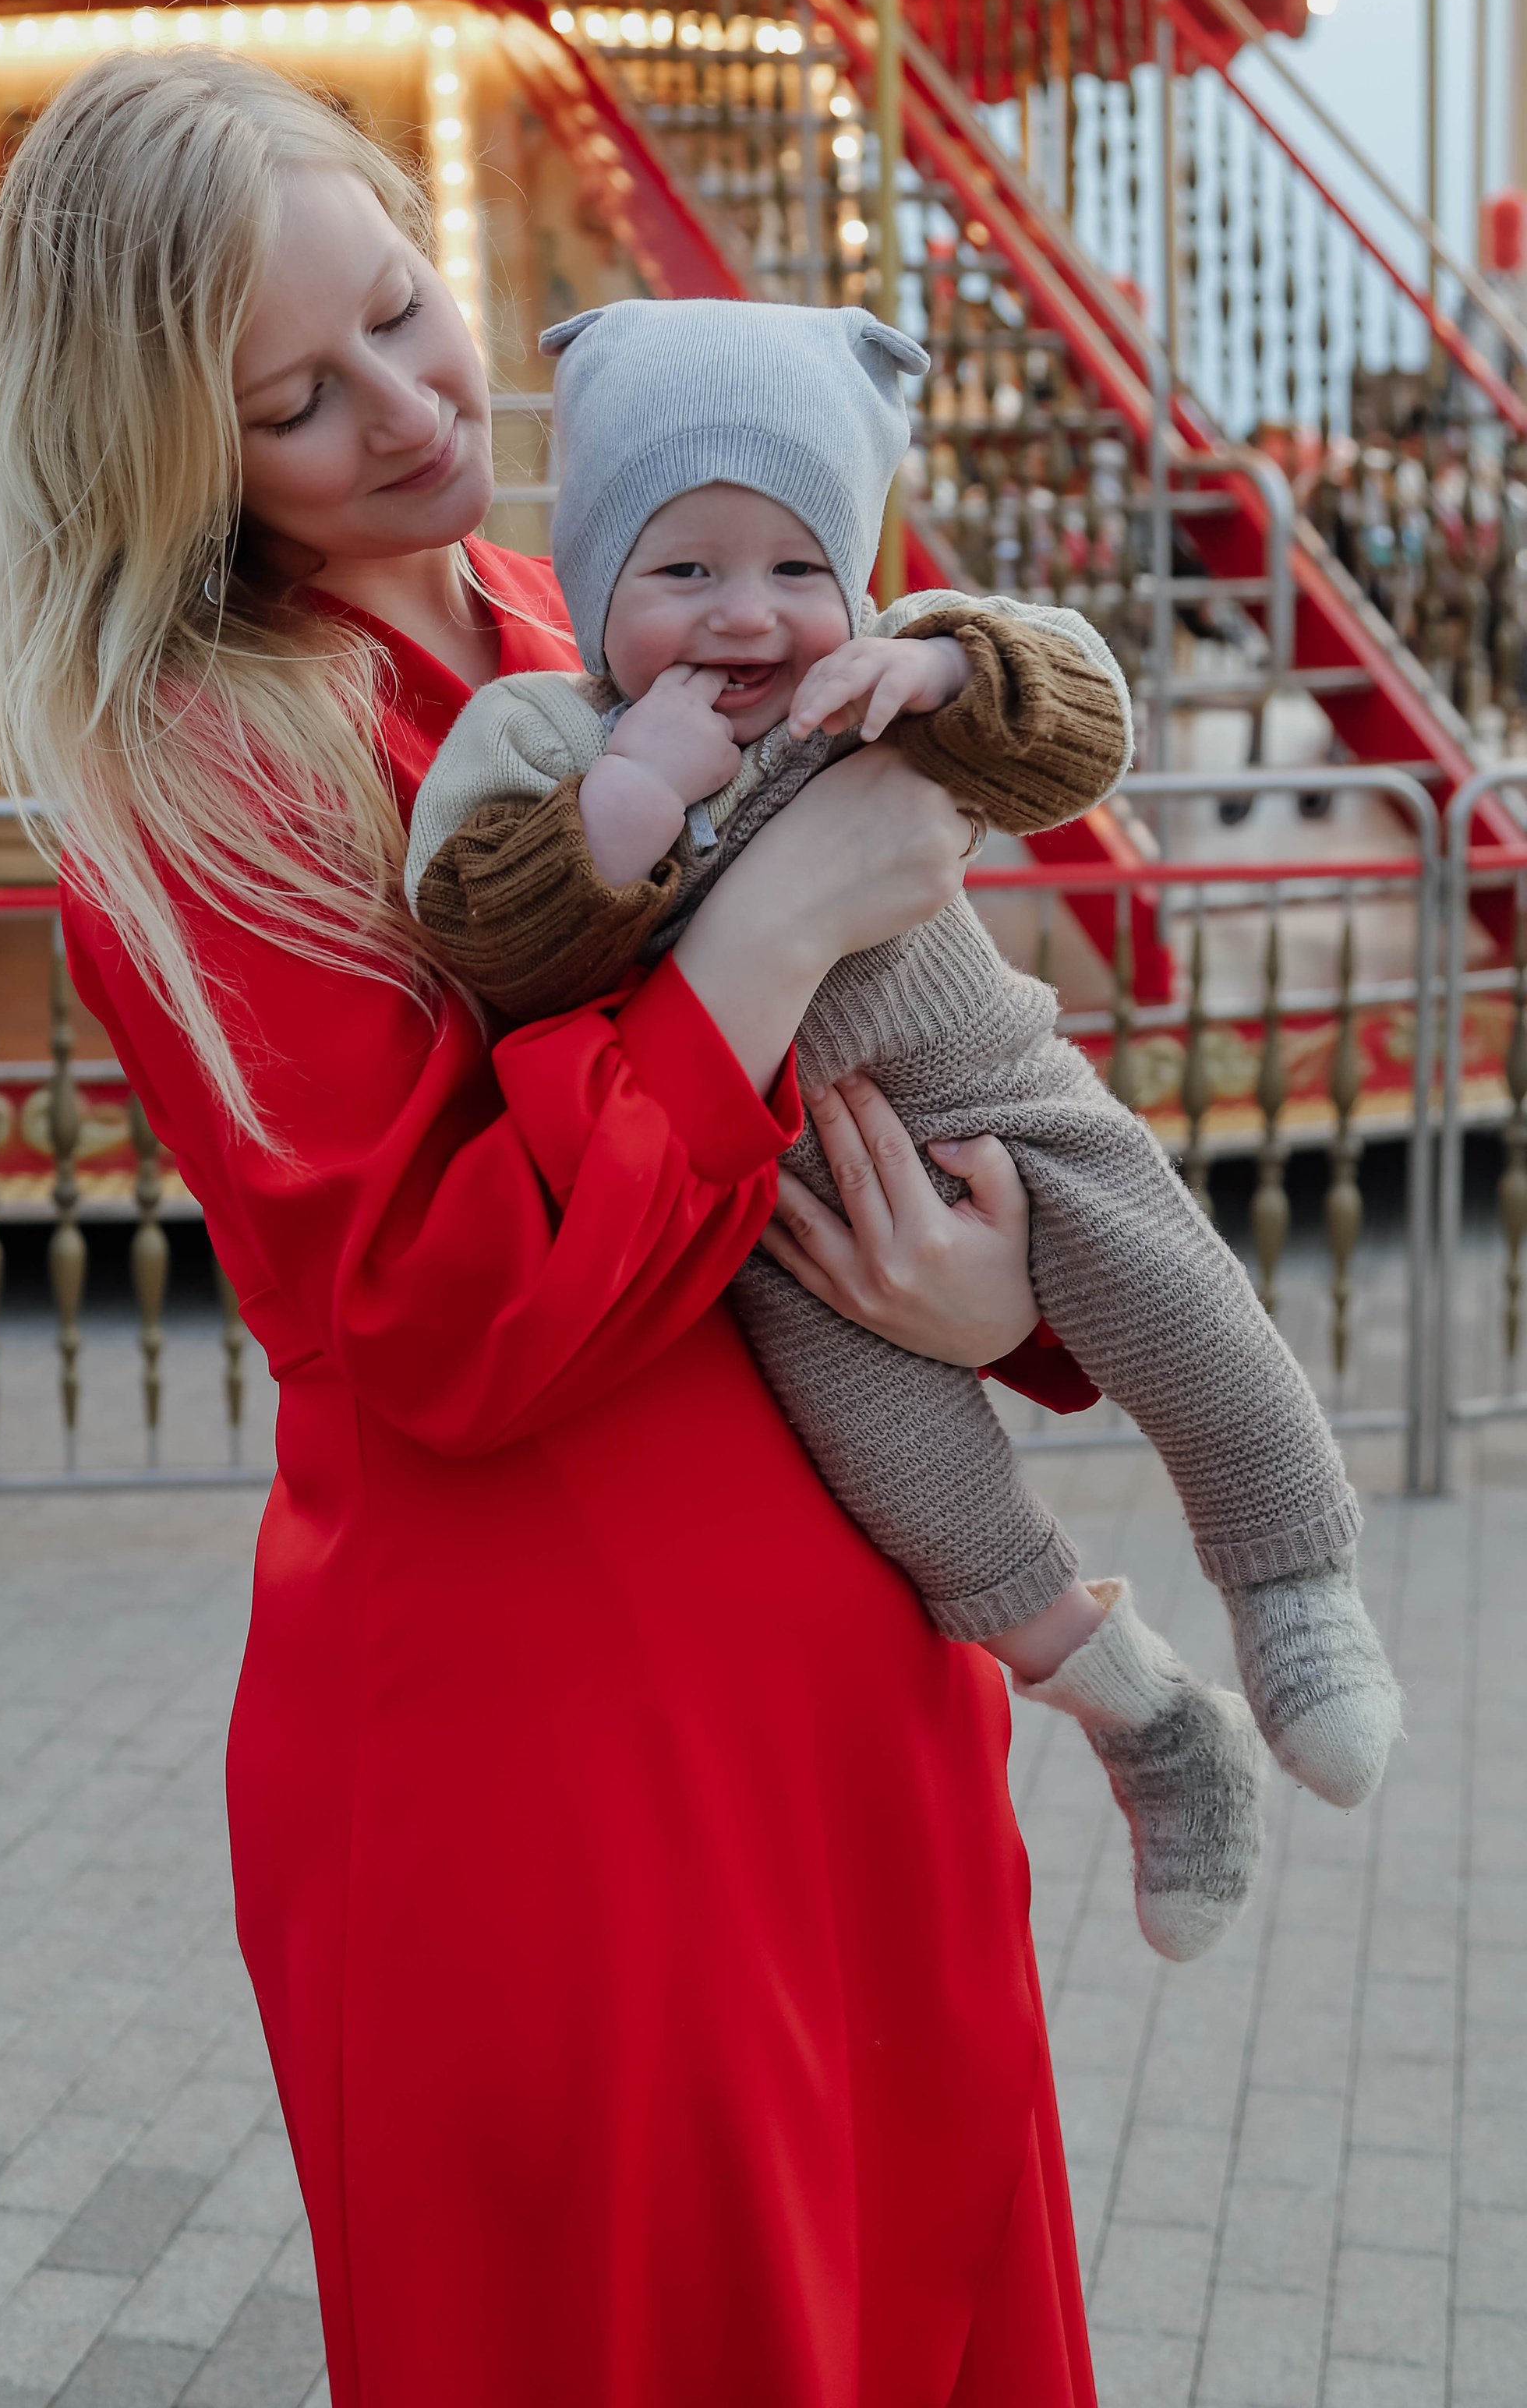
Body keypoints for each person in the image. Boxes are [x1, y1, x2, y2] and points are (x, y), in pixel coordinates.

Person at [0, 48, 1098, 2406]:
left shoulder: (569, 595)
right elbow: (433, 1317)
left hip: (848, 1688)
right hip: (551, 1756)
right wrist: (756, 935)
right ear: (172, 459)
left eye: (402, 308)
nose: (404, 409)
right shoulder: (204, 765)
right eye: (295, 397)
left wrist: (1004, 1287)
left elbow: (938, 1020)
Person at [408, 297, 1402, 1965]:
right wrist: (629, 805)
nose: (750, 616)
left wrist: (940, 663)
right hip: (770, 1222)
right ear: (593, 583)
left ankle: (1295, 1592)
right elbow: (486, 939)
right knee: (918, 1500)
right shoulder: (543, 741)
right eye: (684, 571)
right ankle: (1148, 1721)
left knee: (1181, 1311)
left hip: (995, 1095)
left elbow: (1079, 719)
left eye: (798, 567)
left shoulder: (887, 669)